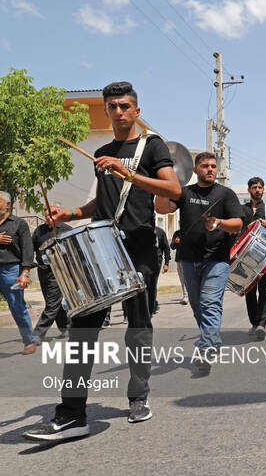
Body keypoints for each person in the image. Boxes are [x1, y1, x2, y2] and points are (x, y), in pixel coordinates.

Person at [24, 81, 181, 441]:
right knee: (82, 329)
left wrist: (129, 173)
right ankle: (72, 413)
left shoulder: (151, 145)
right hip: (101, 247)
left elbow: (173, 190)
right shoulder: (103, 151)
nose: (118, 112)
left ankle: (139, 397)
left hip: (140, 245)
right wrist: (72, 213)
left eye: (125, 106)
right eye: (112, 106)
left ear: (136, 111)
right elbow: (104, 203)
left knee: (138, 326)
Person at [155, 152, 244, 371]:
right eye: (205, 166)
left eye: (213, 166)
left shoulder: (227, 194)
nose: (210, 169)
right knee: (197, 308)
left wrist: (219, 223)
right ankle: (213, 340)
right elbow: (161, 208)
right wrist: (164, 185)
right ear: (195, 170)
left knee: (209, 303)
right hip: (187, 260)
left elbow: (238, 224)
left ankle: (205, 349)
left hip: (217, 260)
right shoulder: (184, 193)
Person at [241, 176, 266, 340]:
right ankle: (254, 322)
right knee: (249, 291)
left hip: (265, 256)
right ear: (249, 190)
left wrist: (263, 223)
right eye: (254, 187)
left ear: (263, 190)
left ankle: (261, 324)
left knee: (265, 291)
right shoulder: (241, 209)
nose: (257, 190)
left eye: (260, 187)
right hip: (246, 257)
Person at [0, 191, 37, 354]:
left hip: (11, 270)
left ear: (7, 205)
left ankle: (29, 341)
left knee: (17, 307)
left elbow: (28, 249)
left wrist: (25, 272)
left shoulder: (19, 223)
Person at [31, 204, 72, 342]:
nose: (48, 217)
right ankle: (66, 327)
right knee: (53, 302)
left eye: (51, 214)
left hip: (58, 271)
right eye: (46, 214)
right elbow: (31, 248)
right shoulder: (39, 231)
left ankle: (37, 334)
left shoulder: (66, 229)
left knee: (51, 303)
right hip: (42, 271)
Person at [149, 225, 170, 315]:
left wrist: (166, 263)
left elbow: (166, 248)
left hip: (156, 260)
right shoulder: (144, 230)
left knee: (153, 283)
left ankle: (152, 307)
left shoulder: (160, 232)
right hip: (144, 261)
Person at [170, 230, 189, 304]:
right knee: (182, 279)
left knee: (190, 278)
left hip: (189, 260)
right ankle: (186, 295)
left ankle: (189, 295)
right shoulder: (177, 233)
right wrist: (175, 242)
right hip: (179, 260)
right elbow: (172, 246)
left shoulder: (190, 231)